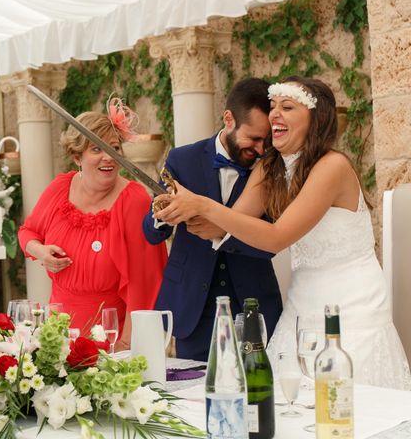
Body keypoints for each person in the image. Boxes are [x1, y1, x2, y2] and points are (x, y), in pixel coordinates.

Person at [155, 76, 411, 389]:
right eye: (273, 106)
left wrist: (204, 206)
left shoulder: (333, 166)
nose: (274, 113)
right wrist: (180, 207)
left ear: (316, 119)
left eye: (286, 107)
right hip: (301, 305)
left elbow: (277, 236)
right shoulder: (270, 166)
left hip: (351, 304)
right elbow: (234, 222)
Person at [142, 78, 282, 361]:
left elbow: (272, 240)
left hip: (252, 302)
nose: (260, 149)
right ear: (228, 119)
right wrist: (162, 214)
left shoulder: (272, 168)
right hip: (194, 305)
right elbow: (151, 233)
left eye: (266, 140)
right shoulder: (183, 159)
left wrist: (222, 233)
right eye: (253, 138)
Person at [18, 98, 167, 350]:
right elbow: (28, 232)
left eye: (114, 148)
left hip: (109, 335)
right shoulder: (60, 188)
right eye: (96, 149)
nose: (108, 157)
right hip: (58, 334)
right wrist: (40, 251)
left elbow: (145, 282)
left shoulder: (133, 200)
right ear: (77, 156)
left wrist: (127, 344)